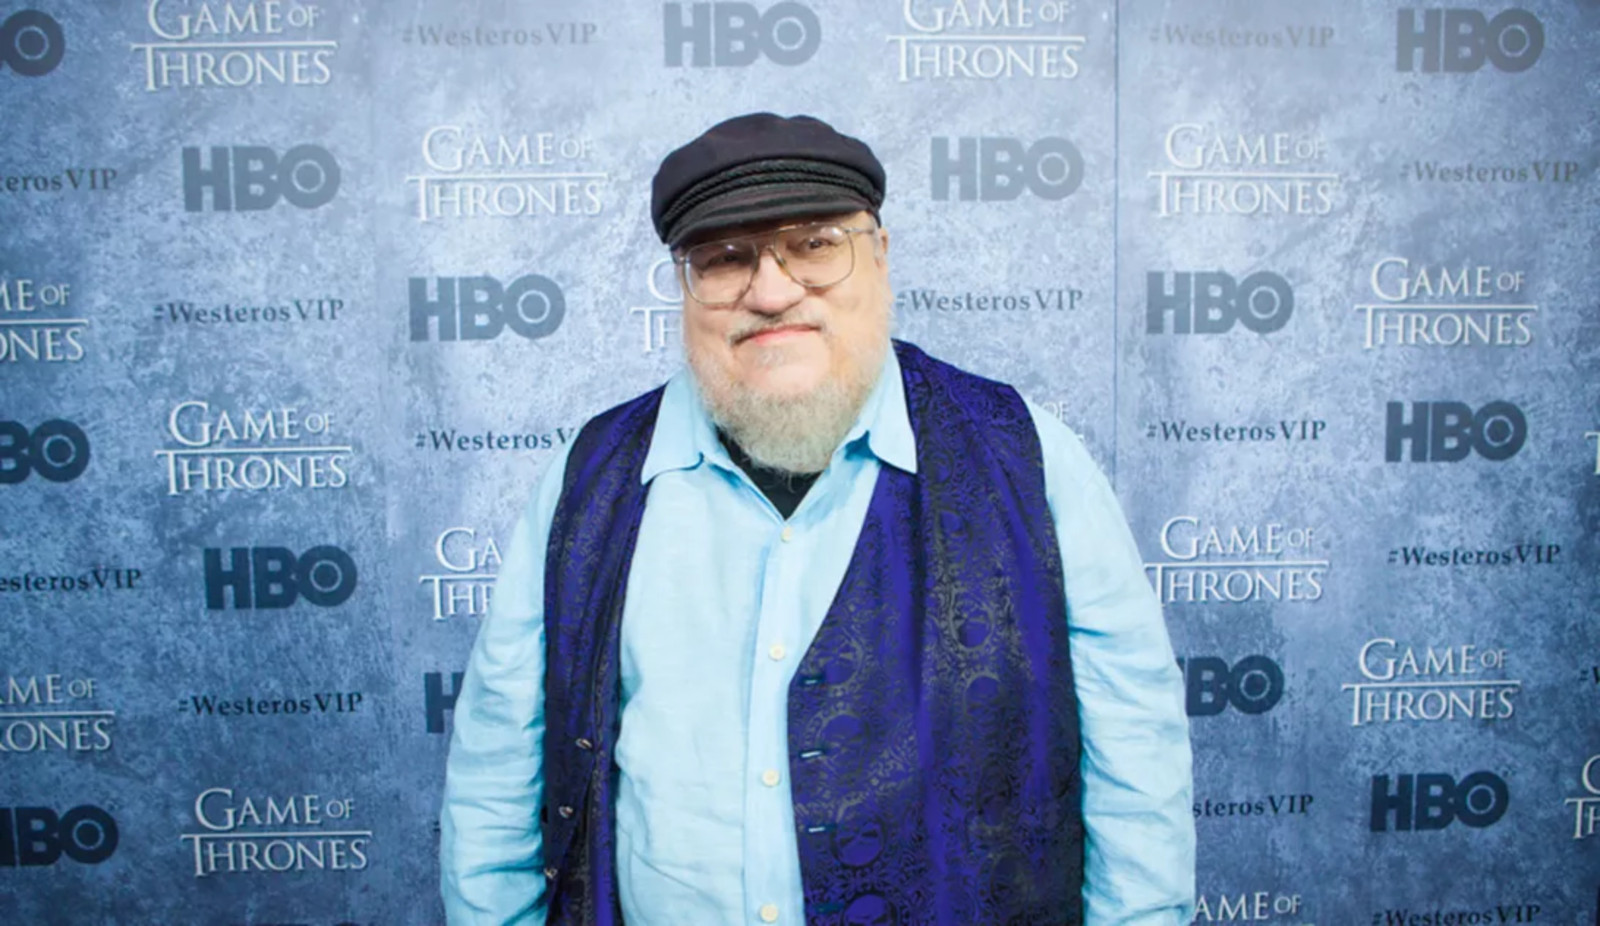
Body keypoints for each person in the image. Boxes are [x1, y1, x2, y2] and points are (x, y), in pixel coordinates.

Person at [440, 112, 1194, 925]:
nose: (771, 292)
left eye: (815, 245)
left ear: (880, 255)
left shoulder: (1026, 459)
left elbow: (1136, 767)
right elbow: (496, 772)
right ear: (684, 283)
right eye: (725, 258)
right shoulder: (591, 477)